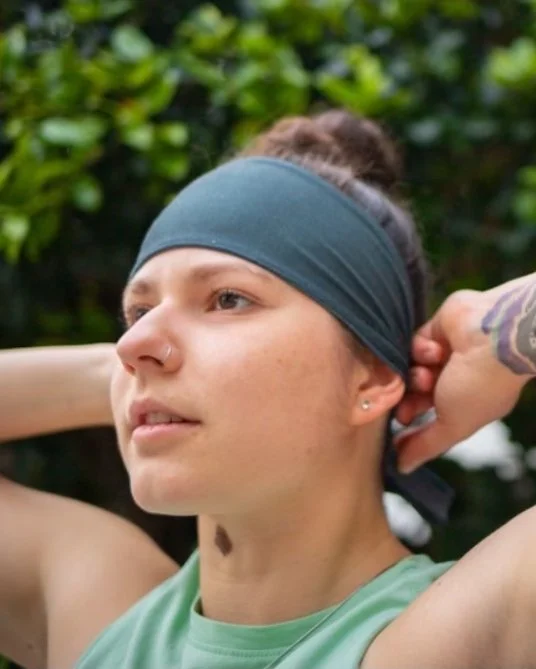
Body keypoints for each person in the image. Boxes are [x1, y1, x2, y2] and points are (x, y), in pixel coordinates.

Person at [1, 110, 535, 669]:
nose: (134, 343)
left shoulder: (467, 636)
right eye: (138, 310)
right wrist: (116, 376)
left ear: (373, 376)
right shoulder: (97, 613)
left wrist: (496, 336)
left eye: (228, 299)